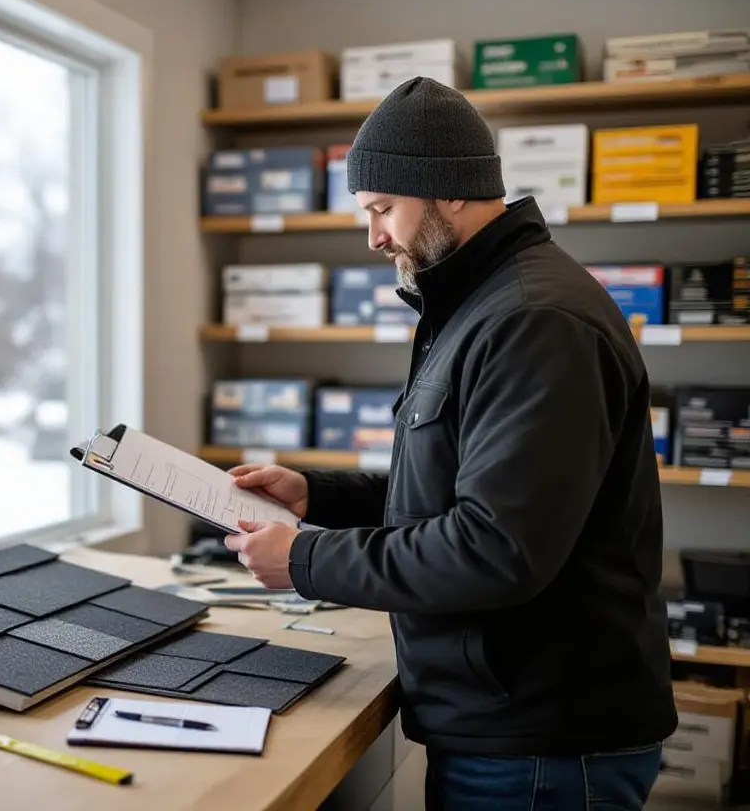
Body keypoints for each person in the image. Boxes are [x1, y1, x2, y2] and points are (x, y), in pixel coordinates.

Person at [222, 77, 677, 810]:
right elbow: (455, 491)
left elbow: (495, 548)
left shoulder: (533, 321)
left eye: (381, 210)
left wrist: (303, 559)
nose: (373, 236)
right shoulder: (475, 304)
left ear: (448, 192)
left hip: (543, 747)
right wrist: (317, 495)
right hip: (506, 725)